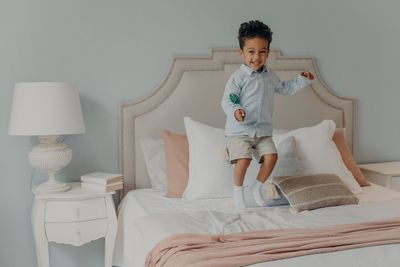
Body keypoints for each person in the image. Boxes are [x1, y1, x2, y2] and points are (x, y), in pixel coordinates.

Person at [221, 20, 314, 208]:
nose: (257, 57)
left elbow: (285, 89)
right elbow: (229, 99)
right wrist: (236, 110)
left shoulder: (270, 76)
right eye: (251, 52)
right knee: (244, 159)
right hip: (239, 131)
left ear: (268, 53)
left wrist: (301, 80)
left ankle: (257, 188)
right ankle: (238, 192)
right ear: (242, 53)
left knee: (272, 157)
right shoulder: (238, 78)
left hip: (263, 131)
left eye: (262, 51)